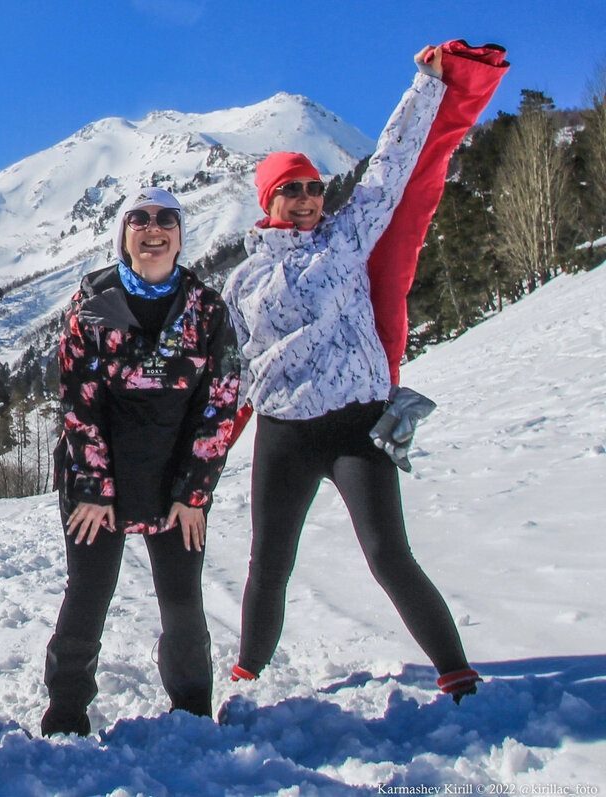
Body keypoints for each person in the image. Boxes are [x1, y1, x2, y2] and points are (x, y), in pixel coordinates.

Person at [222, 47, 482, 703]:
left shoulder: (348, 236)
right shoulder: (241, 280)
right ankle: (247, 671)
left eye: (314, 186)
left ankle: (456, 670)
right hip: (283, 434)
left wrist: (427, 84)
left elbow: (392, 165)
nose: (309, 198)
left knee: (389, 554)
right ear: (268, 201)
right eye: (293, 189)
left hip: (355, 427)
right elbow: (231, 366)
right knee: (269, 564)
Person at [41, 187, 241, 736]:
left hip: (174, 481)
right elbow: (78, 404)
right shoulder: (91, 308)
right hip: (96, 481)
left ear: (180, 235)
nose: (153, 229)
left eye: (165, 220)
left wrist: (194, 492)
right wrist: (93, 489)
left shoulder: (207, 309)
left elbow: (221, 401)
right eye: (139, 220)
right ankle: (65, 711)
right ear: (123, 235)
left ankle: (194, 707)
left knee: (181, 598)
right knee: (88, 593)